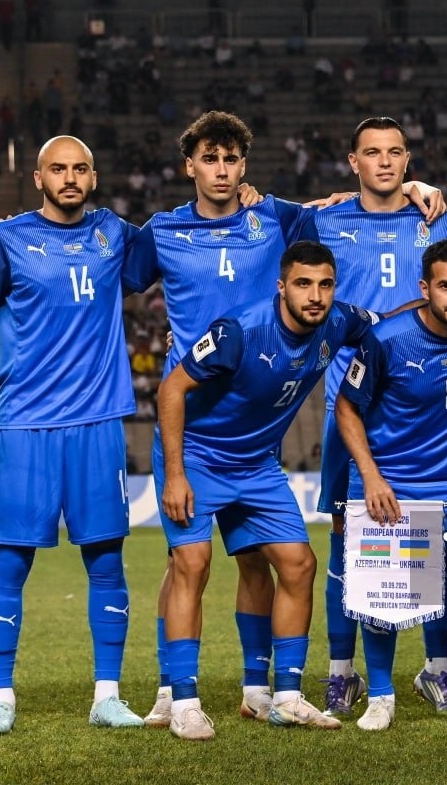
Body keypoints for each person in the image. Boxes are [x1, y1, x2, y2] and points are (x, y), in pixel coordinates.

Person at [125, 112, 446, 727]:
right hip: (197, 419)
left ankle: (264, 690)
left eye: (231, 159)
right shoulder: (162, 230)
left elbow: (348, 207)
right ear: (189, 166)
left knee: (266, 562)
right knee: (187, 563)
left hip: (257, 439)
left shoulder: (273, 216)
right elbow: (113, 281)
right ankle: (174, 691)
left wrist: (412, 187)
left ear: (244, 166)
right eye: (209, 159)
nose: (222, 170)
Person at [0, 135, 143, 734]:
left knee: (107, 561)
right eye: (57, 169)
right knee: (11, 562)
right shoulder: (5, 238)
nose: (69, 177)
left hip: (97, 423)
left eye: (80, 168)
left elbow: (190, 244)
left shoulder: (115, 234)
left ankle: (107, 696)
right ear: (38, 178)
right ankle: (0, 697)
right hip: (26, 424)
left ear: (94, 177)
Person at [154, 241, 369, 739]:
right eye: (303, 284)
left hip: (256, 465)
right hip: (198, 457)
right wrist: (175, 474)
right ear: (281, 286)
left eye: (325, 285)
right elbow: (171, 389)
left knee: (298, 563)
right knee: (192, 564)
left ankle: (285, 697)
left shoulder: (338, 320)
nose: (315, 296)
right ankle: (183, 702)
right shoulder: (239, 331)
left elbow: (397, 321)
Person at [336, 239, 447, 731]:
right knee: (381, 598)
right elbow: (347, 407)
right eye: (446, 287)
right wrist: (371, 476)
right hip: (389, 483)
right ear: (425, 288)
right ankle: (380, 696)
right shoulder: (387, 339)